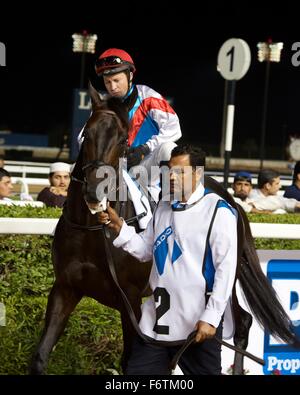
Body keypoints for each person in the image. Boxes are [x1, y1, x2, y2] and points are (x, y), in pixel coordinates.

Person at [98, 144, 238, 375]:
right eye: (170, 170)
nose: (172, 177)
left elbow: (226, 269)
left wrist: (212, 317)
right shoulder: (163, 207)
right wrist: (119, 228)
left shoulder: (218, 211)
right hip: (156, 324)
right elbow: (145, 249)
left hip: (197, 325)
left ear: (198, 173)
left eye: (180, 172)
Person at [79, 48, 182, 200]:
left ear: (130, 76)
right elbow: (82, 138)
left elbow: (174, 129)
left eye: (116, 81)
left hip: (147, 166)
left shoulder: (148, 97)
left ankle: (175, 203)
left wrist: (145, 148)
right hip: (114, 168)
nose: (112, 87)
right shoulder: (103, 106)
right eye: (107, 82)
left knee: (169, 148)